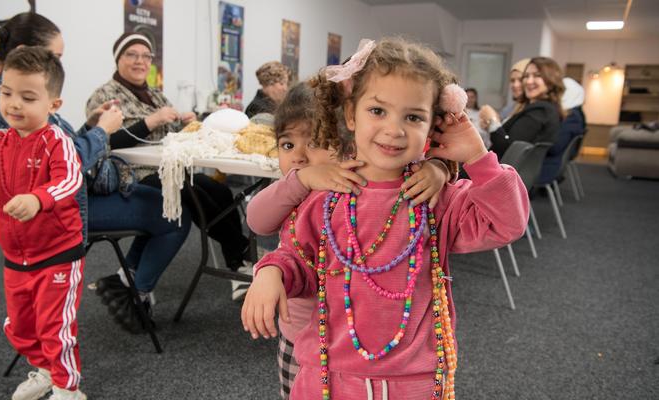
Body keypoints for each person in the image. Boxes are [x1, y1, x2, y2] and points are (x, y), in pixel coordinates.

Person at [241, 37, 529, 399]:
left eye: (413, 116)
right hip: (329, 379)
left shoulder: (436, 200)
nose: (394, 129)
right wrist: (272, 272)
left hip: (416, 383)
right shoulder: (324, 198)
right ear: (351, 115)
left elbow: (507, 222)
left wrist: (476, 155)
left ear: (432, 127)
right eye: (378, 111)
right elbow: (297, 258)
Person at [246, 82, 455, 398]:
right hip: (299, 332)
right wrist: (301, 181)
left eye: (315, 142)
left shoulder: (353, 188)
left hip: (352, 343)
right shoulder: (299, 188)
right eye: (287, 145)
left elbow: (408, 164)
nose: (299, 157)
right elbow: (257, 220)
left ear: (346, 142)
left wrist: (440, 168)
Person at [86, 32, 253, 303]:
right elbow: (102, 141)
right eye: (132, 54)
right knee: (193, 192)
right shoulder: (104, 96)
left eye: (146, 56)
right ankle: (240, 260)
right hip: (129, 176)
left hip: (167, 170)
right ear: (118, 59)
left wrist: (186, 123)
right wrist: (150, 122)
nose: (140, 61)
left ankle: (239, 261)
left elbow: (171, 134)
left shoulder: (155, 94)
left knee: (218, 190)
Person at [0, 47, 87, 400]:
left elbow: (69, 179)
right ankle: (45, 371)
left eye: (28, 97)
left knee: (55, 327)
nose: (14, 104)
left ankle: (67, 388)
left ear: (53, 105)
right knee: (20, 327)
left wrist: (37, 198)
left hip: (58, 255)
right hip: (16, 258)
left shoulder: (57, 142)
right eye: (6, 93)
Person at [0, 12, 124, 241]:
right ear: (22, 53)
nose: (58, 67)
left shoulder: (12, 104)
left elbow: (58, 149)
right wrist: (102, 131)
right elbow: (67, 162)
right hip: (50, 223)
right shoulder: (14, 111)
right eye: (54, 57)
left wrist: (91, 125)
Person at [479, 57, 565, 159]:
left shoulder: (540, 111)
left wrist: (492, 121)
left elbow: (507, 148)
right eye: (526, 76)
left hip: (502, 170)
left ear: (551, 80)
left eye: (537, 76)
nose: (528, 81)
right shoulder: (543, 108)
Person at [537, 77, 586, 183]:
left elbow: (555, 148)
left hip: (548, 166)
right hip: (552, 162)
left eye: (559, 92)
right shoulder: (576, 114)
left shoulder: (572, 117)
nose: (554, 96)